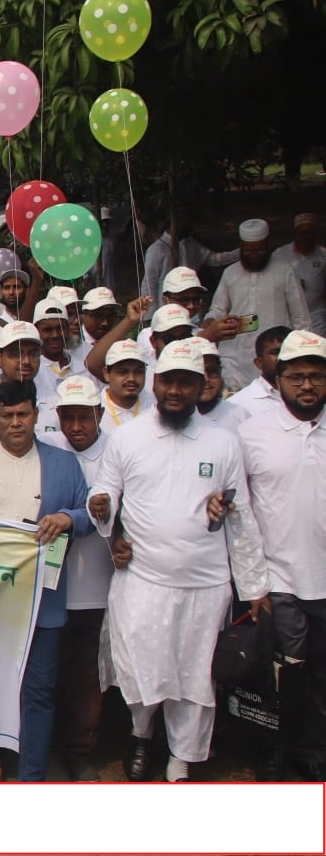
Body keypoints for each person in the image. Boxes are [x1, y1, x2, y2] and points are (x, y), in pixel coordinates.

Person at [89, 340, 270, 782]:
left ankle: (181, 759)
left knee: (193, 677)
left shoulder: (223, 444)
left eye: (185, 383)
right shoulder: (127, 438)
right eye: (167, 381)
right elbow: (106, 489)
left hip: (204, 583)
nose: (174, 390)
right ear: (156, 382)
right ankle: (141, 734)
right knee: (140, 667)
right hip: (142, 579)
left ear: (200, 386)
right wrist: (103, 512)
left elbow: (239, 515)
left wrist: (254, 587)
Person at [0, 380, 92, 783]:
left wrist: (68, 518)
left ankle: (32, 773)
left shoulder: (63, 463)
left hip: (43, 597)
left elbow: (88, 514)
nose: (16, 423)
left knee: (38, 689)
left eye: (24, 414)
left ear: (36, 414)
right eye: (7, 416)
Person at [239, 330, 326, 780]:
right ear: (279, 379)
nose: (307, 386)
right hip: (280, 579)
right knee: (282, 673)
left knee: (321, 675)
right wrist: (254, 582)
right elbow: (241, 510)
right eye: (297, 377)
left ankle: (313, 751)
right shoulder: (253, 432)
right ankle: (278, 750)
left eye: (316, 376)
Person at [42, 376, 113, 782]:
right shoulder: (49, 450)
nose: (75, 427)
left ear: (99, 414)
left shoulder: (118, 452)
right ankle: (48, 744)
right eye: (67, 417)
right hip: (52, 582)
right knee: (50, 671)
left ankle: (81, 751)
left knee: (87, 674)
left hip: (96, 582)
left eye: (83, 417)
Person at [206, 219, 311, 391]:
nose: (254, 255)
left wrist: (304, 352)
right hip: (235, 354)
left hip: (274, 355)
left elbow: (301, 317)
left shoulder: (284, 271)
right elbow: (218, 308)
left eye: (259, 250)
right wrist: (210, 320)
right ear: (241, 247)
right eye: (248, 251)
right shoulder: (230, 273)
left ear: (267, 244)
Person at [271, 214, 325, 335]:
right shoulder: (280, 254)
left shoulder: (323, 255)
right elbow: (271, 281)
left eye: (309, 232)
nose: (306, 237)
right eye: (302, 232)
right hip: (288, 315)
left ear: (315, 233)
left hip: (316, 314)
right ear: (295, 233)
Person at [227, 325, 291, 417]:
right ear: (259, 362)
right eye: (276, 352)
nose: (284, 357)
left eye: (289, 351)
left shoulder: (312, 396)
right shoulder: (237, 405)